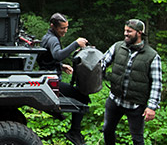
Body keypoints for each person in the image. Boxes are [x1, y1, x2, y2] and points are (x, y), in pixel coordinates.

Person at [101, 19, 162, 145]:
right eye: (125, 31)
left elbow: (157, 83)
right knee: (107, 130)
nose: (125, 34)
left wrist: (151, 106)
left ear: (139, 33)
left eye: (129, 31)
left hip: (135, 105)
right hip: (115, 100)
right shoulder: (117, 47)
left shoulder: (152, 56)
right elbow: (101, 63)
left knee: (137, 139)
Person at [37, 13, 89, 145]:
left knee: (78, 95)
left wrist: (61, 66)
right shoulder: (53, 39)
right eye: (62, 28)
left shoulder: (47, 37)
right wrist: (75, 44)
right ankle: (74, 132)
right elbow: (58, 55)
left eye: (66, 27)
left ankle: (62, 117)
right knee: (82, 96)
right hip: (50, 82)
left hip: (47, 78)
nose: (65, 30)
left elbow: (46, 59)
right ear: (52, 26)